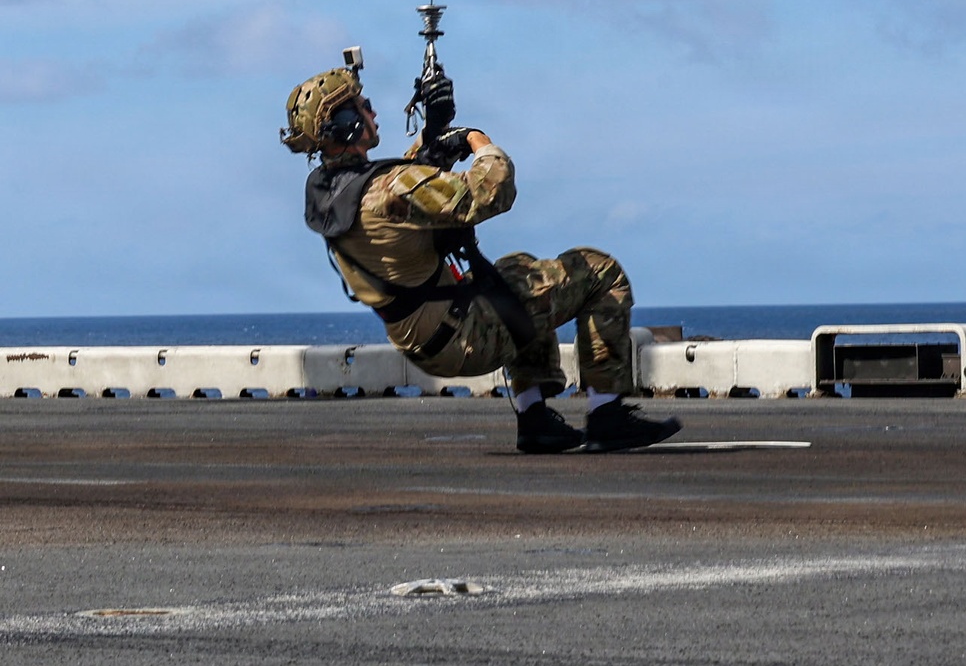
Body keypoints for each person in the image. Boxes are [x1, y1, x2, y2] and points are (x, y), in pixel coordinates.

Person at [282, 62, 681, 454]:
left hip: (426, 340)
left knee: (517, 270)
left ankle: (536, 420)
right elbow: (492, 190)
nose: (372, 111)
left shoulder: (329, 193)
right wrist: (476, 140)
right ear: (348, 122)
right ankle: (606, 414)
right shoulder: (392, 190)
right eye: (363, 105)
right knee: (599, 271)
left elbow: (405, 190)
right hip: (466, 337)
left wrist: (432, 137)